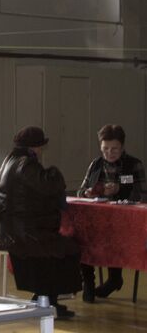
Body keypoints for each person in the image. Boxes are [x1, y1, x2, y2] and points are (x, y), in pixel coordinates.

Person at [0, 126, 81, 319]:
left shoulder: (9, 161)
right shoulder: (27, 164)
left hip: (8, 231)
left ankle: (43, 296)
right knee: (67, 249)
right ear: (36, 147)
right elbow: (49, 187)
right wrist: (55, 173)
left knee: (57, 244)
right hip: (23, 235)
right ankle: (50, 302)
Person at [77, 124, 146, 302]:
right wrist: (90, 192)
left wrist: (119, 189)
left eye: (114, 149)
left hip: (124, 222)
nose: (109, 153)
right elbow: (81, 191)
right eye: (105, 149)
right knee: (82, 236)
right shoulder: (96, 165)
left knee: (112, 238)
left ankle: (115, 279)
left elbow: (142, 194)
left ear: (122, 147)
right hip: (97, 220)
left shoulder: (133, 165)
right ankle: (88, 284)